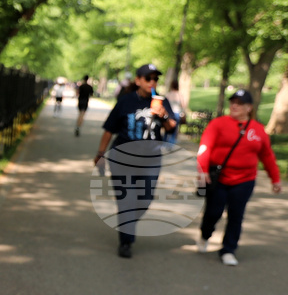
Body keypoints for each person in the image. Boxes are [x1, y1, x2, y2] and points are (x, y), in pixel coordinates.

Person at [93, 63, 177, 258]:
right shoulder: (126, 101)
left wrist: (162, 114)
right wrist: (100, 154)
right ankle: (126, 241)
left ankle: (127, 221)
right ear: (138, 80)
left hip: (151, 159)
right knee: (127, 200)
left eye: (155, 79)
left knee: (144, 200)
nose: (152, 82)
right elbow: (109, 129)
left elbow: (172, 128)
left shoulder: (161, 101)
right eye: (148, 78)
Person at [196, 88, 281, 266]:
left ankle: (228, 250)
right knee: (213, 212)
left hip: (244, 180)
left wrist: (275, 179)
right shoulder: (218, 124)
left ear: (249, 107)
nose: (234, 106)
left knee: (236, 215)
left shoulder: (258, 130)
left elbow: (267, 156)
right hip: (219, 178)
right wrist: (203, 170)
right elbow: (206, 146)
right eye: (233, 102)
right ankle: (205, 234)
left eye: (240, 103)